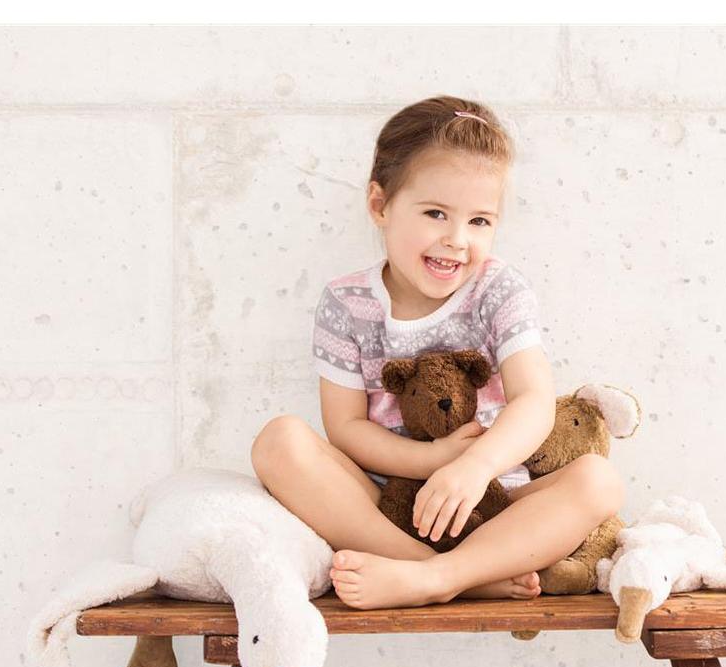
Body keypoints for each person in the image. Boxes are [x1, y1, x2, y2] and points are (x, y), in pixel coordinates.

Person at [250, 95, 624, 610]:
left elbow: (534, 399)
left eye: (479, 221)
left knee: (598, 481)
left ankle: (440, 576)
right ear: (380, 205)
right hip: (388, 506)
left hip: (491, 503)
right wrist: (427, 459)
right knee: (278, 442)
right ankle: (435, 570)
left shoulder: (499, 289)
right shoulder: (347, 303)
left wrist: (472, 466)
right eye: (435, 213)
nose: (456, 240)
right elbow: (345, 429)